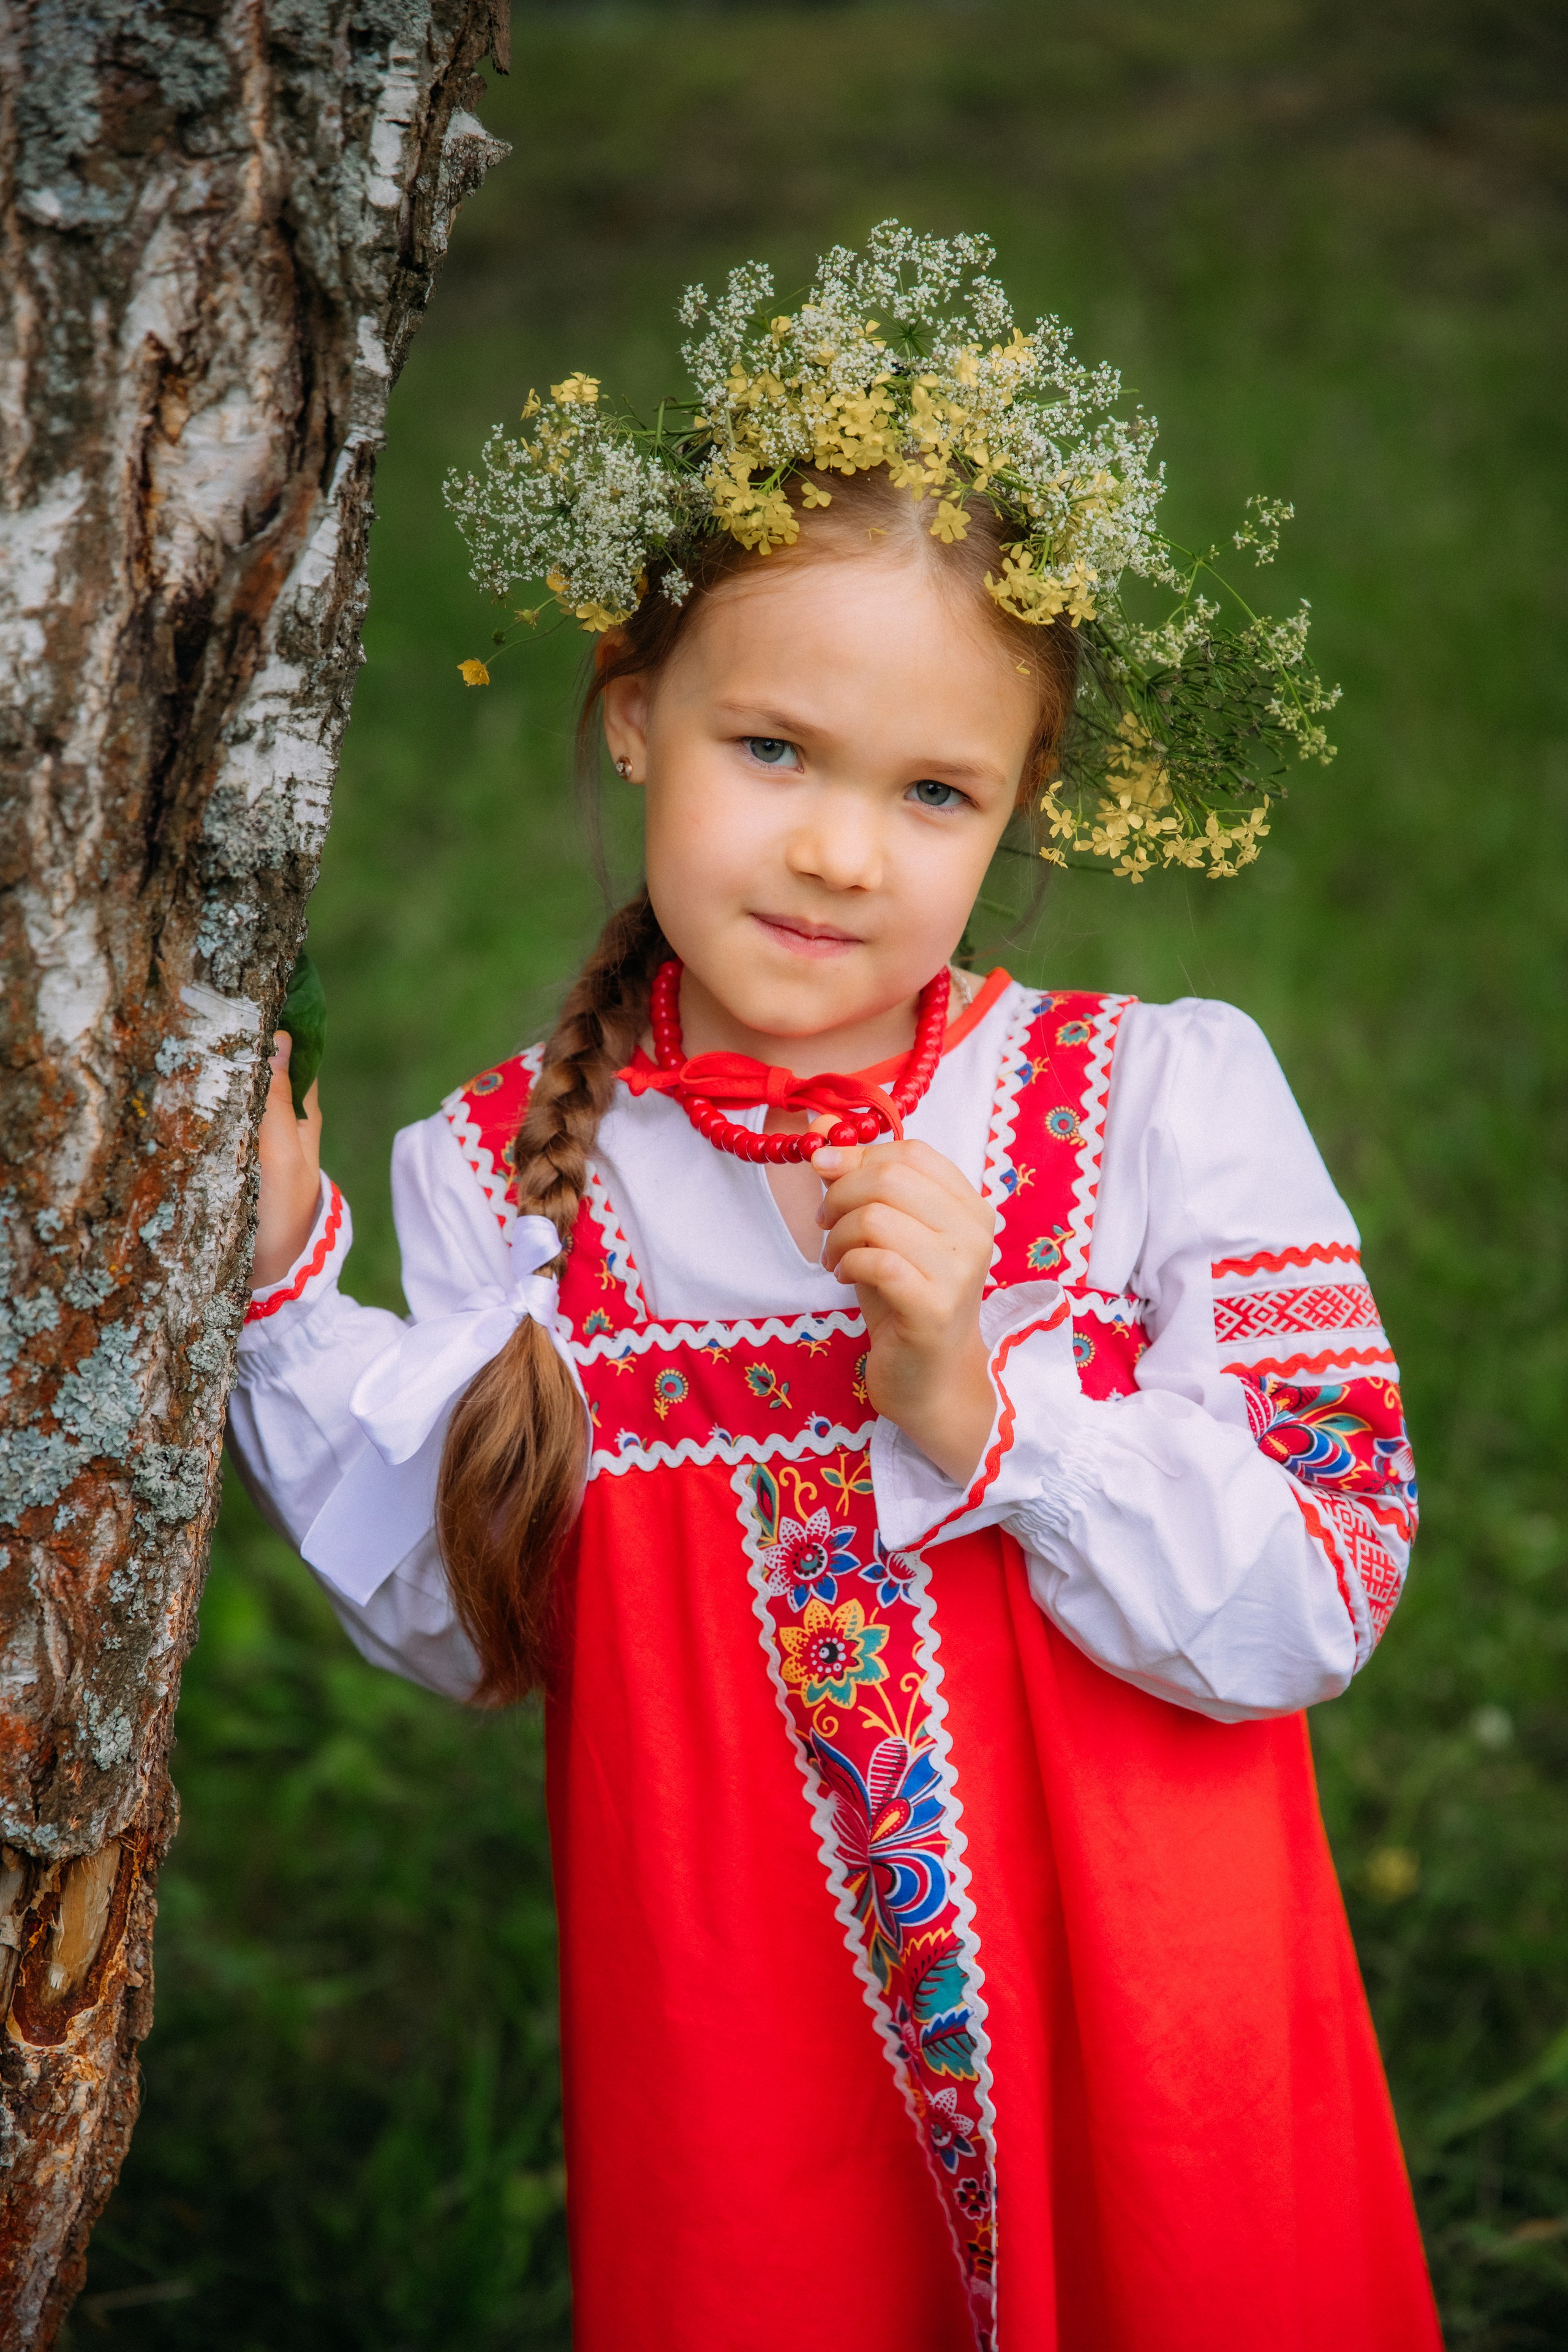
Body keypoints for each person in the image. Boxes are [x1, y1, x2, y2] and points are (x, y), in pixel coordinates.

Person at [230, 229, 1440, 2350]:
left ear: (1015, 818)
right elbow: (468, 1611)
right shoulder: (511, 1169)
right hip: (741, 2055)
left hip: (1149, 2025)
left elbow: (1322, 1590)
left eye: (933, 792)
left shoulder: (1143, 1105)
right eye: (771, 748)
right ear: (634, 720)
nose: (837, 853)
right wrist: (276, 1287)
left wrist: (985, 1406)